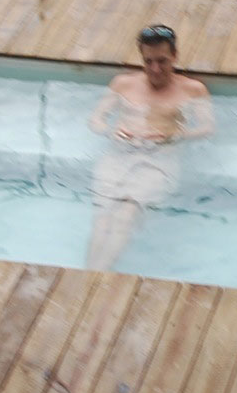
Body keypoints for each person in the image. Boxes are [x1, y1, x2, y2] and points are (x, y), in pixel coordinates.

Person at [85, 24, 214, 270]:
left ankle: (100, 274)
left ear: (175, 56)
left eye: (162, 61)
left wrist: (176, 135)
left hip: (159, 159)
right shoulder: (123, 84)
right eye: (148, 61)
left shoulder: (193, 89)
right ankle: (88, 274)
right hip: (119, 155)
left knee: (126, 215)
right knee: (102, 219)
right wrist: (111, 131)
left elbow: (207, 128)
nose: (155, 69)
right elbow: (95, 120)